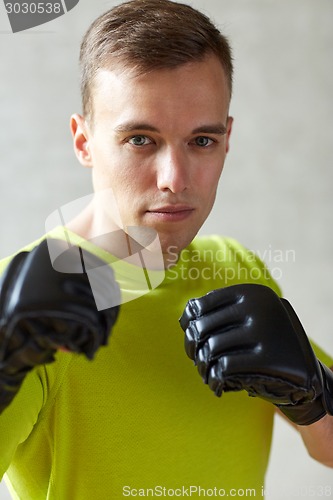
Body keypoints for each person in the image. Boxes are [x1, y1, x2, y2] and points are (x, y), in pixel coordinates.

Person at [0, 0, 332, 498]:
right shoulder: (25, 301)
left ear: (227, 140)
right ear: (84, 140)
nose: (174, 180)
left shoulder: (236, 268)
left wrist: (315, 393)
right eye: (140, 139)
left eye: (201, 140)